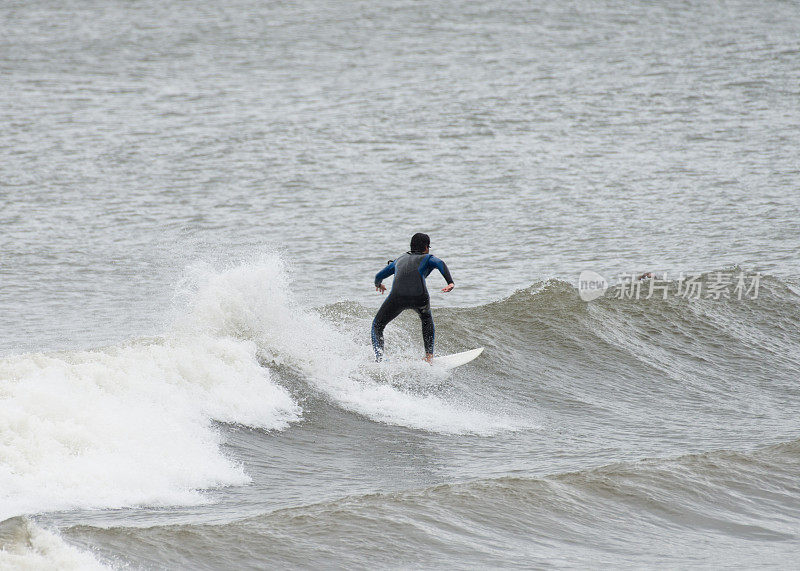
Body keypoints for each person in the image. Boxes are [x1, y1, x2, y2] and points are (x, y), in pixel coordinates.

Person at [371, 233, 454, 362]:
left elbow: (378, 276)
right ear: (426, 247)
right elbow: (439, 263)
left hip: (397, 297)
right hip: (419, 296)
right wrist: (450, 282)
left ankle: (379, 359)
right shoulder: (427, 258)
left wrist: (379, 284)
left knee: (377, 325)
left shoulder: (398, 260)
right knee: (426, 318)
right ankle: (429, 357)